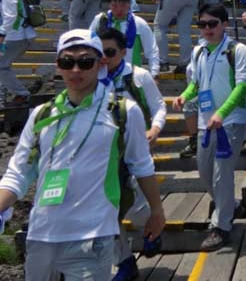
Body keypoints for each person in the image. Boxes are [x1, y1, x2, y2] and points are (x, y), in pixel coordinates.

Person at [0, 29, 165, 280]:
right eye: (68, 62)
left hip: (92, 235)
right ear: (58, 66)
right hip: (41, 235)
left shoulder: (121, 112)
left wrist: (157, 211)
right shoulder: (42, 114)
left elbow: (141, 166)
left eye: (85, 62)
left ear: (100, 65)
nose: (76, 69)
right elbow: (19, 173)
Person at [171, 3, 246, 251]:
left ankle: (221, 226)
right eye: (202, 24)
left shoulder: (237, 51)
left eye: (212, 23)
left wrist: (222, 113)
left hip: (231, 121)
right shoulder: (199, 52)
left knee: (221, 173)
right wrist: (184, 96)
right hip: (208, 123)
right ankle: (229, 205)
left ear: (224, 24)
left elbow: (242, 87)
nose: (207, 29)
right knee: (205, 172)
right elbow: (196, 84)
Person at [97, 28, 166, 279]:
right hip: (104, 156)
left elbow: (159, 106)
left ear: (123, 52)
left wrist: (155, 129)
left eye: (110, 52)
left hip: (134, 150)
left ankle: (153, 229)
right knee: (106, 210)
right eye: (99, 52)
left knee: (136, 206)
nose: (104, 58)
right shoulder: (91, 78)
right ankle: (124, 260)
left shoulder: (139, 77)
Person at [89, 0, 159, 77]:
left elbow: (152, 50)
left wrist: (154, 74)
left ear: (129, 3)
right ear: (109, 4)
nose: (119, 9)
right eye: (114, 5)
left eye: (123, 5)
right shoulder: (100, 20)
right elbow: (89, 44)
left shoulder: (139, 23)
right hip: (104, 73)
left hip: (131, 75)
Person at [0, 0, 35, 107]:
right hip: (17, 35)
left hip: (16, 36)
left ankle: (22, 94)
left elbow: (11, 15)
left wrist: (2, 33)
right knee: (3, 67)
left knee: (1, 67)